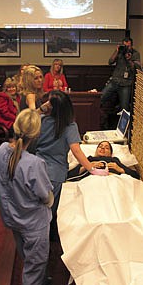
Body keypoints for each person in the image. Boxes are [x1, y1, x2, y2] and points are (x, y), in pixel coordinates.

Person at [0, 109, 54, 285]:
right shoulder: (34, 163)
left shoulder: (1, 151)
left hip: (13, 218)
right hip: (33, 223)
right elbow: (46, 197)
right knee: (34, 268)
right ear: (36, 135)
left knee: (28, 257)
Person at [35, 90, 99, 239]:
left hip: (37, 168)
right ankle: (48, 239)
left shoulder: (42, 119)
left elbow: (27, 118)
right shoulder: (70, 126)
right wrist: (92, 169)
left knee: (38, 207)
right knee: (50, 210)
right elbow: (76, 151)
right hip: (55, 174)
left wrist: (41, 108)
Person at [101, 37, 141, 115]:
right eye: (124, 46)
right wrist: (117, 51)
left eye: (128, 46)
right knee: (101, 98)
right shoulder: (120, 52)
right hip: (115, 81)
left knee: (124, 109)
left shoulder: (135, 53)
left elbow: (136, 68)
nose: (126, 48)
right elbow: (110, 61)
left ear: (131, 46)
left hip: (126, 84)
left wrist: (129, 59)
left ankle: (123, 126)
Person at [67, 140, 140, 181]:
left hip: (113, 181)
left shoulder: (114, 161)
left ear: (110, 154)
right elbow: (68, 176)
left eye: (107, 148)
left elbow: (136, 176)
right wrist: (87, 166)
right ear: (96, 151)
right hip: (92, 182)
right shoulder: (89, 159)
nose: (102, 148)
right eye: (100, 146)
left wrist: (120, 169)